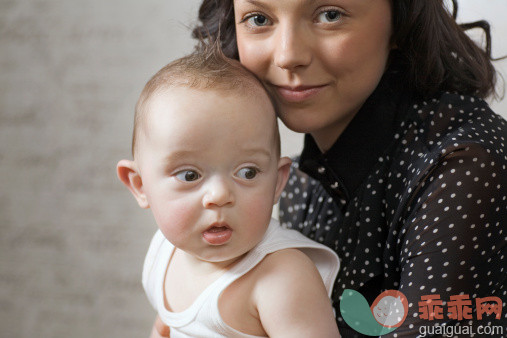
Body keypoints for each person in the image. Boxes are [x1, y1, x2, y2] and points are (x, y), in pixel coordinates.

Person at [193, 0, 507, 336]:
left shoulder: (463, 166)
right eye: (258, 19)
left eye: (330, 15)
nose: (287, 55)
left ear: (401, 21)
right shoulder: (298, 180)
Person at [116, 47, 341, 337]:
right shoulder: (164, 252)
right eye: (190, 175)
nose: (220, 195)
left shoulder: (280, 279)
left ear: (277, 182)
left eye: (247, 173)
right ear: (140, 185)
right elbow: (165, 327)